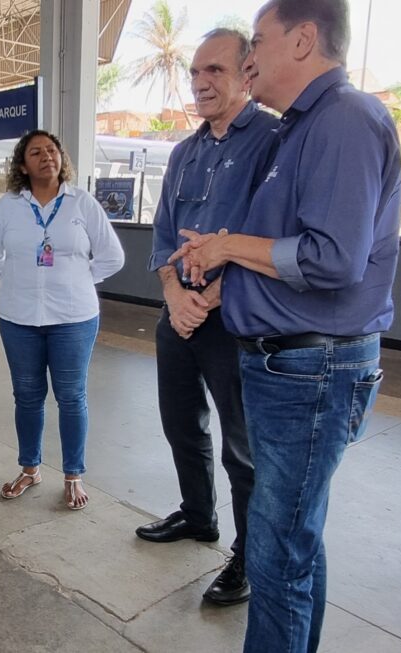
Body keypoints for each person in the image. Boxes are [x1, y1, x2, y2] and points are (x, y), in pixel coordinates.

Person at [171, 1, 401, 650]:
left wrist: (227, 247)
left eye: (259, 42)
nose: (250, 58)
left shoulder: (346, 121)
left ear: (304, 40)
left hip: (310, 371)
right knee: (294, 539)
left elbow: (331, 258)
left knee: (275, 555)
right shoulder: (300, 129)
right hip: (286, 366)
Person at [136, 27, 279, 608]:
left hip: (236, 319)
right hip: (180, 314)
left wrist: (211, 299)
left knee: (240, 448)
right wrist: (175, 296)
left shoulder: (273, 139)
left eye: (214, 71)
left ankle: (247, 557)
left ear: (248, 73)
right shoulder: (184, 152)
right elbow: (164, 234)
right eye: (195, 73)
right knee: (181, 423)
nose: (200, 84)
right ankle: (199, 516)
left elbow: (273, 233)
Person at [0, 130, 125, 510]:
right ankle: (30, 468)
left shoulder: (82, 203)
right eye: (35, 152)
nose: (47, 157)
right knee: (27, 396)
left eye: (52, 150)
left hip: (73, 318)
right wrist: (18, 277)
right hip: (18, 317)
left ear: (62, 158)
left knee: (71, 396)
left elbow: (112, 256)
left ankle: (73, 474)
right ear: (22, 165)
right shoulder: (8, 206)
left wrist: (78, 279)